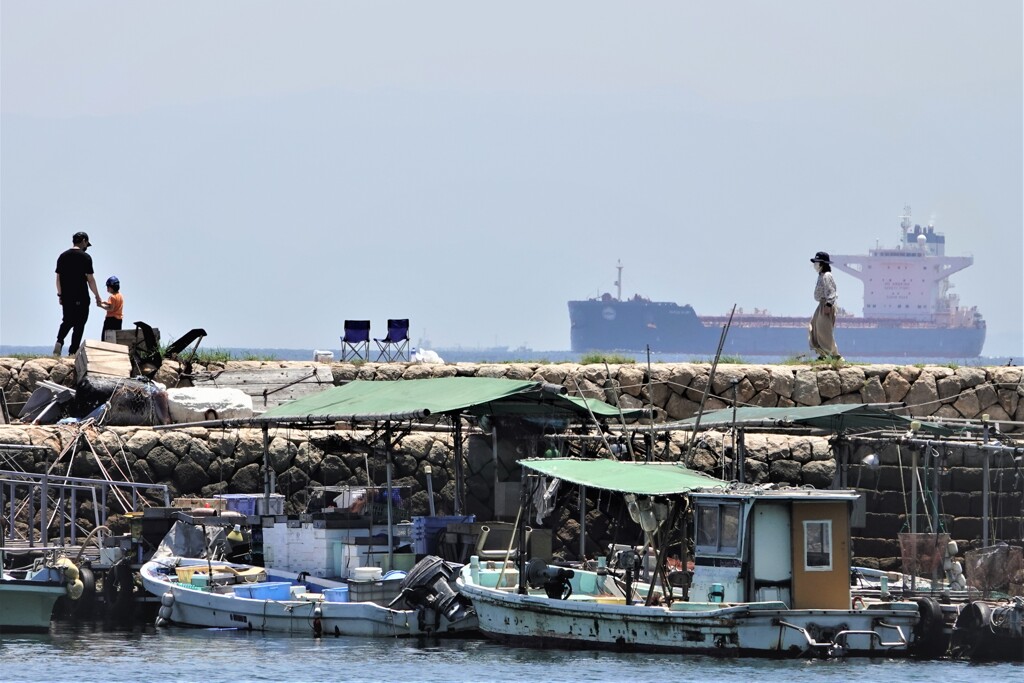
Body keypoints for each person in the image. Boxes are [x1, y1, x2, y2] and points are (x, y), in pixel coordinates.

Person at [54, 232, 102, 356]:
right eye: (87, 244)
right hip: (81, 296)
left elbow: (58, 278)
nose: (86, 246)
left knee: (67, 320)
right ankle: (72, 352)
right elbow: (90, 279)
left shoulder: (62, 256)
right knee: (79, 324)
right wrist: (97, 295)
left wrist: (60, 295)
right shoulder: (85, 257)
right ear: (84, 241)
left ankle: (59, 342)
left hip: (66, 297)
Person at [809, 251, 842, 360]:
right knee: (815, 327)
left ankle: (833, 354)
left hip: (826, 305)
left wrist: (828, 304)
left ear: (822, 264)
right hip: (821, 304)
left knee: (824, 330)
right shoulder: (821, 275)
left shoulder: (827, 276)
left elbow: (832, 291)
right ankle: (823, 353)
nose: (815, 265)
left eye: (817, 262)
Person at [98, 275, 124, 342]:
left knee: (105, 338)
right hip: (118, 320)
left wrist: (101, 306)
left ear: (112, 287)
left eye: (108, 287)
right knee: (116, 339)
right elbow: (115, 305)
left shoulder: (112, 297)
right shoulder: (120, 296)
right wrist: (105, 302)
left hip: (110, 320)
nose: (107, 289)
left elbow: (111, 309)